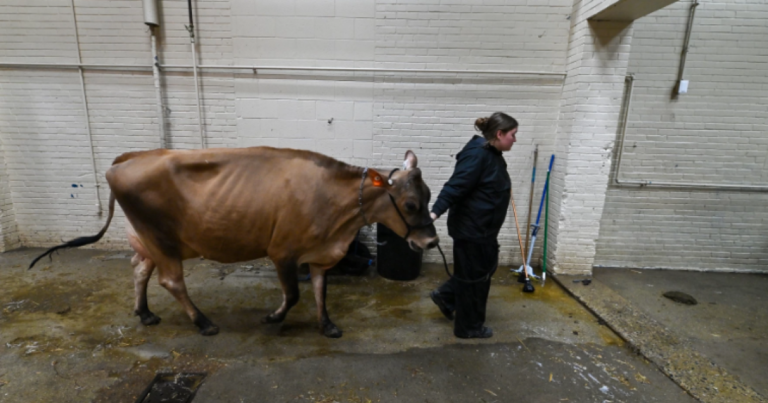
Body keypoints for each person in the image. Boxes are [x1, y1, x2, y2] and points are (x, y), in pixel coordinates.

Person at [429, 112, 518, 339]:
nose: (515, 140)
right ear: (499, 134)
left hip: (482, 230)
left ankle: (447, 296)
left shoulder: (491, 152)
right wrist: (434, 212)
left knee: (482, 270)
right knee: (475, 281)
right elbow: (455, 186)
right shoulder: (478, 155)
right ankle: (468, 327)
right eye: (513, 135)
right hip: (473, 231)